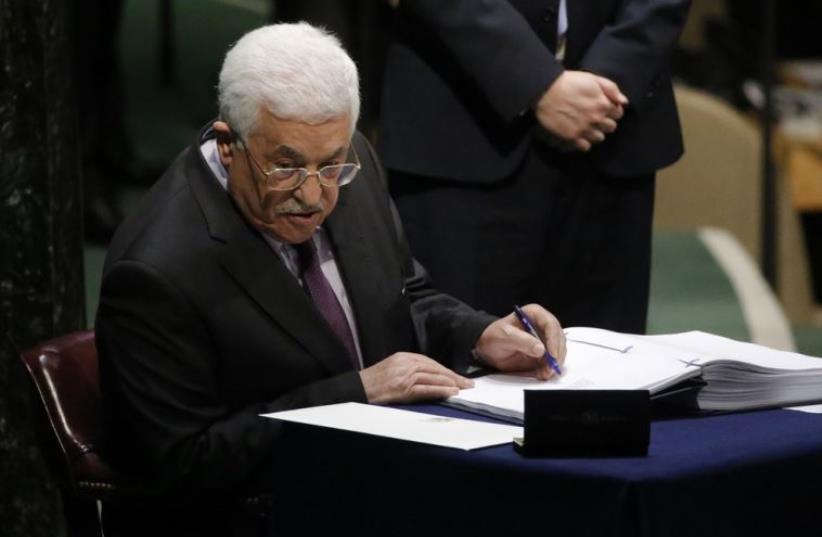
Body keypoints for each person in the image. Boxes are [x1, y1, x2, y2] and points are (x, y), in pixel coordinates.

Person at [95, 23, 566, 537]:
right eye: (286, 168)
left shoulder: (348, 157)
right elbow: (183, 468)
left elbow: (405, 295)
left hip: (386, 474)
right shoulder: (156, 272)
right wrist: (356, 393)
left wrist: (479, 334)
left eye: (330, 165)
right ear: (228, 145)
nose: (315, 195)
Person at [379, 0, 692, 333]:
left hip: (611, 129)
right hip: (460, 125)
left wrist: (607, 76)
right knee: (461, 364)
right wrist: (536, 81)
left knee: (610, 368)